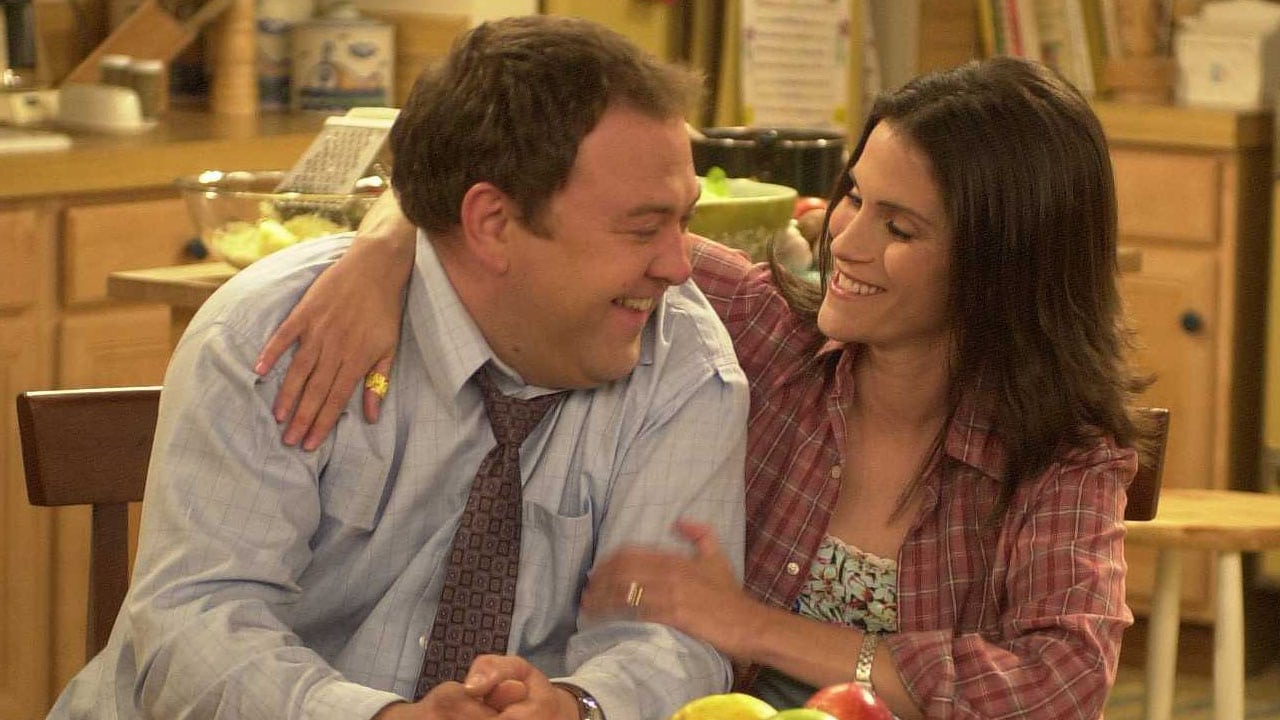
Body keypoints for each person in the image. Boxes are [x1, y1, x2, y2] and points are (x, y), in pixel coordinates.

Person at [255, 56, 1156, 719]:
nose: (846, 241)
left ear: (1002, 263)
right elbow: (516, 182)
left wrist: (751, 625)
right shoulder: (760, 328)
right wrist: (384, 248)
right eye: (853, 197)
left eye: (901, 227)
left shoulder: (1066, 455)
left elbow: (1059, 687)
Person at [50, 15, 750, 720]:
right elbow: (195, 623)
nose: (678, 265)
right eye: (642, 227)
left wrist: (578, 707)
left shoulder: (683, 364)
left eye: (684, 220)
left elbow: (674, 636)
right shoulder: (276, 337)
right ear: (493, 224)